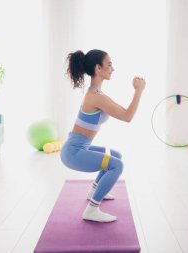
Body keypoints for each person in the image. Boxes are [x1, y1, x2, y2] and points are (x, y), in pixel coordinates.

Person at [60, 49, 146, 222]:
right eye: (109, 64)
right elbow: (128, 117)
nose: (112, 68)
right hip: (73, 153)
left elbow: (123, 111)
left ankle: (94, 190)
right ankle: (91, 210)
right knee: (117, 165)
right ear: (98, 68)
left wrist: (137, 91)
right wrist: (139, 91)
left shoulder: (97, 94)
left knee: (115, 156)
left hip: (78, 147)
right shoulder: (95, 97)